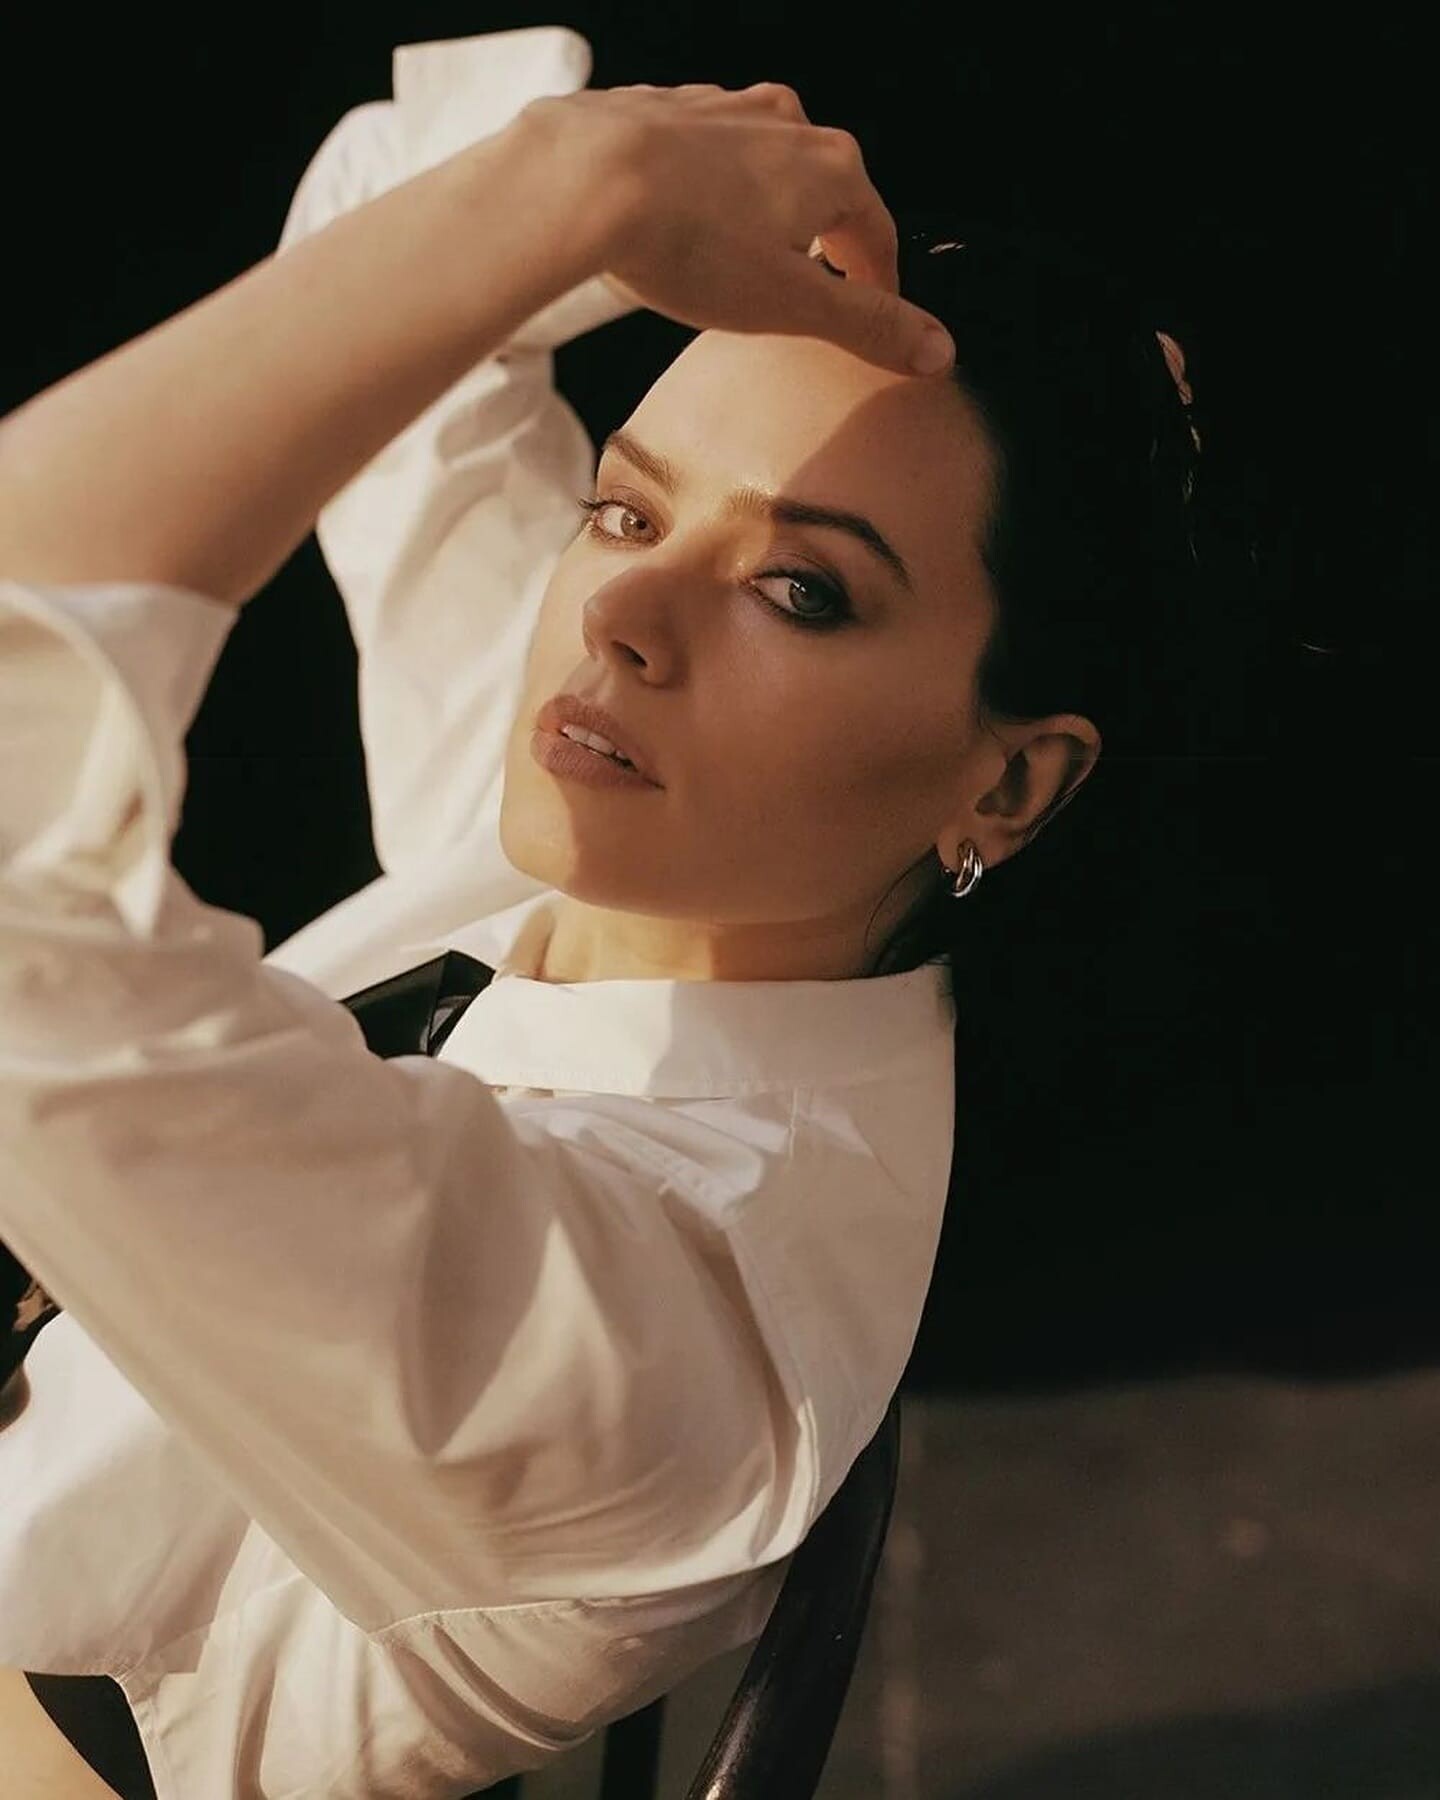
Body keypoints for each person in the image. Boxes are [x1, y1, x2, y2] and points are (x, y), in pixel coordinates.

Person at [0, 24, 1200, 1798]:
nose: (621, 614)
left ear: (1009, 784)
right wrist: (578, 199)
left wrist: (578, 190)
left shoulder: (672, 1315)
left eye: (802, 589)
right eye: (626, 507)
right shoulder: (635, 854)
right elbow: (393, 222)